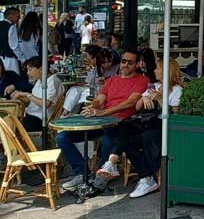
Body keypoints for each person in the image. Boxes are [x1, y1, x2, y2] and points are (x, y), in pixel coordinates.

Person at [57, 50, 148, 191]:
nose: (125, 65)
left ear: (136, 65)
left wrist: (102, 112)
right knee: (62, 137)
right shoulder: (111, 80)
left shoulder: (142, 80)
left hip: (123, 122)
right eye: (123, 61)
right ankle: (82, 173)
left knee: (108, 139)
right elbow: (99, 100)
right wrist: (92, 107)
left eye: (130, 62)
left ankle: (101, 178)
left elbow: (130, 103)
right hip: (101, 121)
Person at [127, 58, 184, 198]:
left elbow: (176, 113)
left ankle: (146, 178)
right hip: (149, 123)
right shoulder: (153, 86)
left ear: (166, 71)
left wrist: (160, 99)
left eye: (158, 68)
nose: (154, 71)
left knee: (149, 138)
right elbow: (137, 107)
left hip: (167, 126)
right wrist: (144, 98)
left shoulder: (177, 90)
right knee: (127, 139)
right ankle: (147, 176)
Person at [10, 57, 64, 133]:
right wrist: (21, 97)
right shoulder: (39, 80)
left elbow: (45, 104)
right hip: (31, 115)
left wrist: (27, 94)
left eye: (30, 69)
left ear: (41, 69)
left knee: (11, 126)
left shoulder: (53, 81)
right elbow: (32, 102)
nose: (28, 73)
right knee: (8, 120)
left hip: (41, 120)